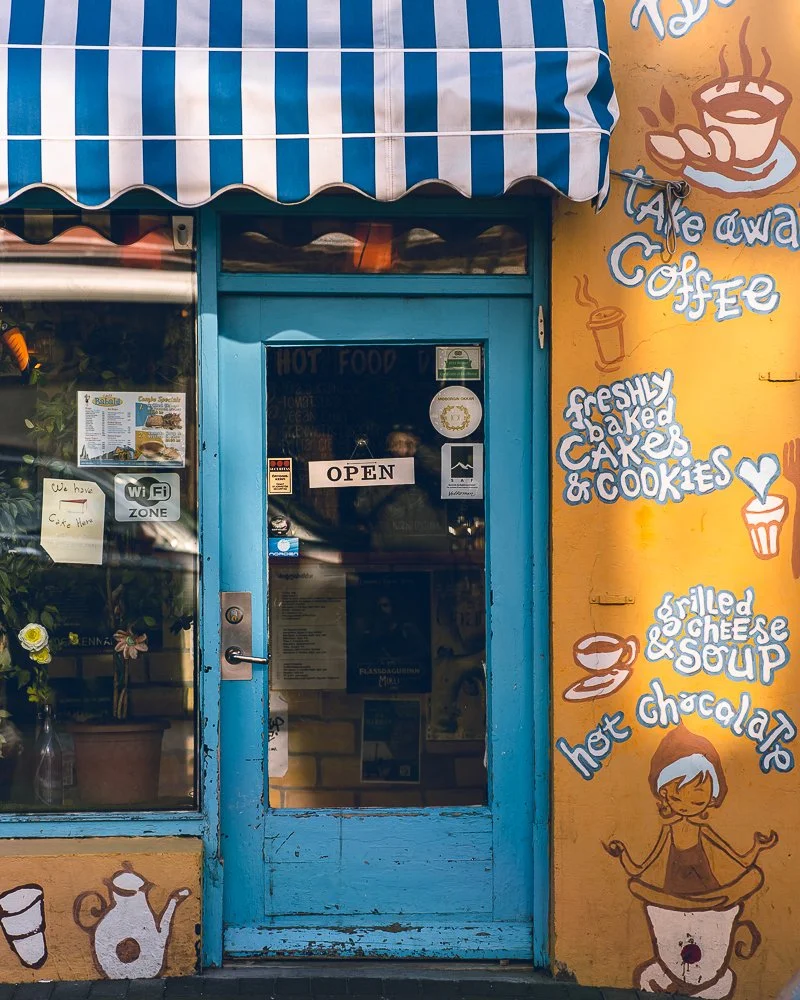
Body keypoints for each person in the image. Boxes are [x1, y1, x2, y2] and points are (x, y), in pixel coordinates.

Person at [605, 724, 777, 902]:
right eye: (676, 798)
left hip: (705, 884)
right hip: (674, 885)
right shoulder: (669, 830)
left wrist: (758, 847)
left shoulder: (702, 829)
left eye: (697, 802)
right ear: (664, 794)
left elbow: (740, 861)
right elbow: (641, 868)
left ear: (711, 800)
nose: (685, 806)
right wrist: (623, 855)